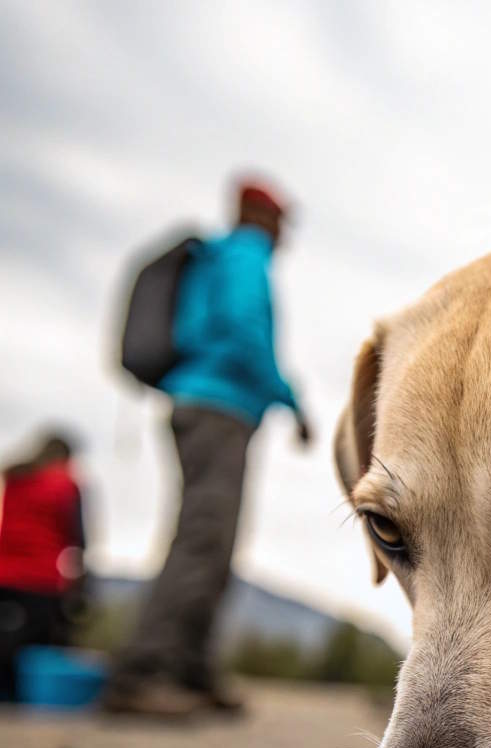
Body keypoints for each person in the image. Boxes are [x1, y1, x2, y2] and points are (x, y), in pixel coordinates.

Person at [104, 180, 312, 718]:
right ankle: (143, 674)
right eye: (279, 218)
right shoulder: (244, 256)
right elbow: (245, 333)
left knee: (213, 541)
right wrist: (291, 400)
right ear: (258, 215)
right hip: (218, 408)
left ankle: (191, 671)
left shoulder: (224, 258)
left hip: (211, 408)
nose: (284, 231)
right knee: (203, 540)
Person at [0, 432, 86, 702]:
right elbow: (78, 535)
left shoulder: (16, 478)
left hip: (3, 572)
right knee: (36, 641)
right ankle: (26, 698)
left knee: (6, 636)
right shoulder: (65, 483)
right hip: (40, 578)